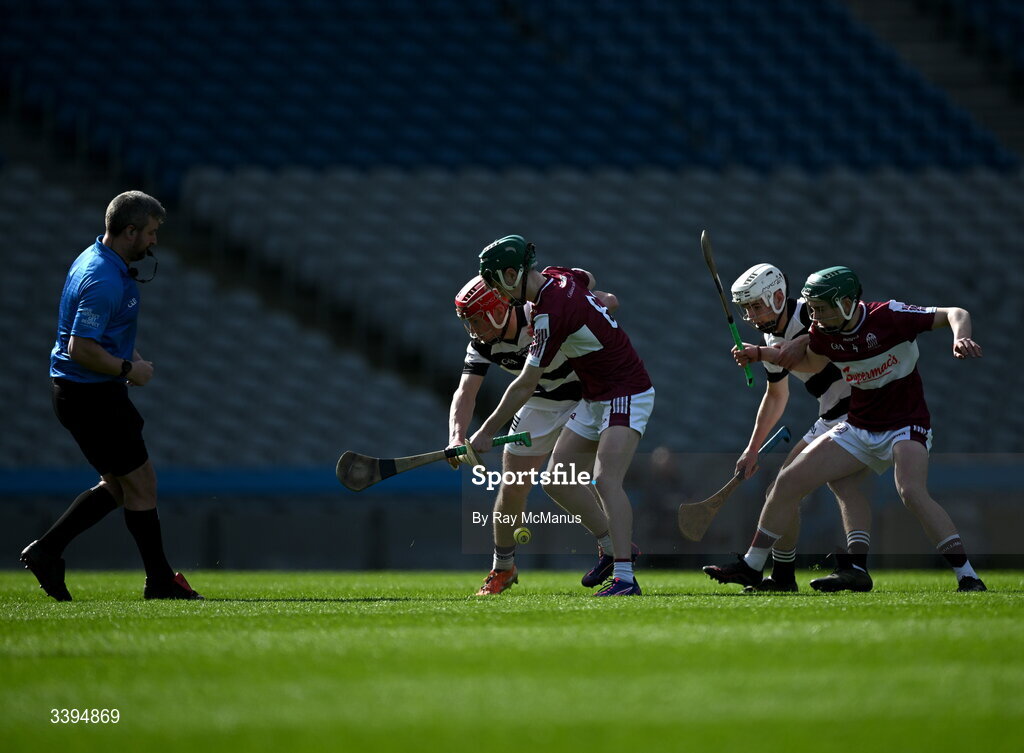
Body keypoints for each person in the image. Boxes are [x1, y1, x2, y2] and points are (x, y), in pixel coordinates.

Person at [704, 266, 986, 592]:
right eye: (812, 310)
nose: (815, 317)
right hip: (857, 425)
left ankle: (967, 575)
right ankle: (760, 566)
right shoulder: (823, 333)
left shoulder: (888, 315)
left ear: (847, 303)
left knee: (909, 492)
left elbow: (956, 312)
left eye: (821, 309)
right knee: (790, 481)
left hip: (904, 423)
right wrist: (761, 353)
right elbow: (805, 362)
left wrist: (961, 336)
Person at [20, 191, 202, 601]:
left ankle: (47, 551)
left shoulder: (100, 262)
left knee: (121, 486)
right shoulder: (102, 278)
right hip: (91, 397)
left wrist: (128, 358)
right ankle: (159, 581)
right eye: (151, 233)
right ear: (130, 231)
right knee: (142, 486)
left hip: (84, 394)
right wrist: (128, 369)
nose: (154, 241)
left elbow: (97, 336)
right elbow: (80, 347)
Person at [468, 235, 654, 596]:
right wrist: (597, 303)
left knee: (605, 480)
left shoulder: (548, 314)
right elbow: (587, 279)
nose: (499, 295)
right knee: (557, 480)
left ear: (511, 274)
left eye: (496, 283)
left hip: (625, 389)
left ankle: (625, 578)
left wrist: (487, 430)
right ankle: (613, 551)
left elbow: (525, 385)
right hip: (596, 395)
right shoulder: (556, 276)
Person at [725, 263, 875, 593]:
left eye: (756, 305)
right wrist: (752, 448)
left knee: (795, 489)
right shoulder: (767, 338)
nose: (750, 315)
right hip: (831, 416)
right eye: (745, 308)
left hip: (859, 412)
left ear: (778, 296)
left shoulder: (812, 312)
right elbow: (776, 395)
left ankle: (776, 571)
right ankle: (786, 576)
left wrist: (767, 351)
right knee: (788, 491)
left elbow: (841, 328)